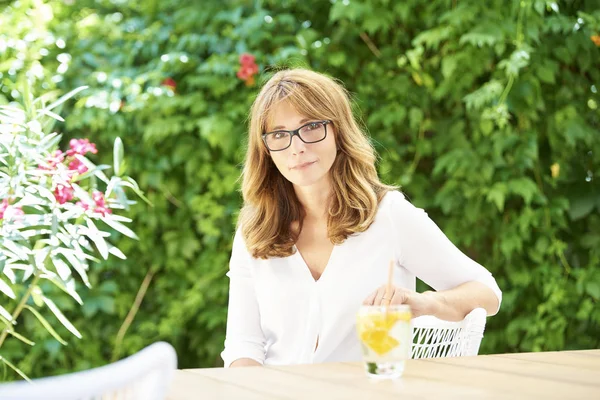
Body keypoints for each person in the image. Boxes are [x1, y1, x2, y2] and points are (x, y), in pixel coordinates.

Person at [221, 68, 501, 368]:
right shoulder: (255, 229)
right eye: (279, 134)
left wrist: (425, 304)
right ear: (265, 149)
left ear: (338, 132)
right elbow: (243, 345)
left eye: (311, 127)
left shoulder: (388, 216)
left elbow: (487, 293)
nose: (297, 146)